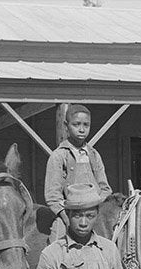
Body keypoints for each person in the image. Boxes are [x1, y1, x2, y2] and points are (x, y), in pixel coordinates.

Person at [44, 104, 113, 243]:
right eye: (76, 124)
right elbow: (52, 195)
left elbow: (105, 188)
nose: (81, 129)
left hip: (94, 212)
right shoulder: (59, 156)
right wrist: (66, 216)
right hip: (70, 213)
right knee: (58, 245)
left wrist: (96, 207)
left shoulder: (94, 154)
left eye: (86, 125)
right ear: (66, 125)